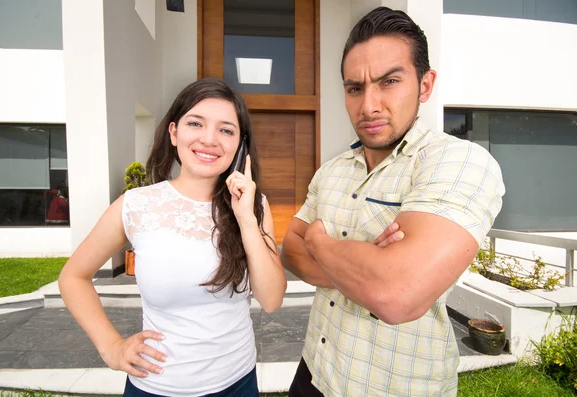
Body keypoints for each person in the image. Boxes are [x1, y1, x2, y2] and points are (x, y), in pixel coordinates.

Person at [281, 7, 505, 397]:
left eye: (389, 81)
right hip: (316, 371)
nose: (368, 106)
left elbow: (397, 295)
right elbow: (290, 252)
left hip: (395, 386)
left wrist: (321, 243)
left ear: (425, 84)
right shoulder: (330, 171)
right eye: (355, 88)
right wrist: (368, 265)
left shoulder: (458, 162)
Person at [59, 77, 286, 397]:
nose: (210, 139)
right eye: (196, 123)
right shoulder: (137, 205)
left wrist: (246, 220)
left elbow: (272, 299)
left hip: (238, 383)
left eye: (226, 130)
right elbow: (73, 276)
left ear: (240, 146)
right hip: (157, 386)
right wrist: (111, 346)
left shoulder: (254, 205)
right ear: (174, 132)